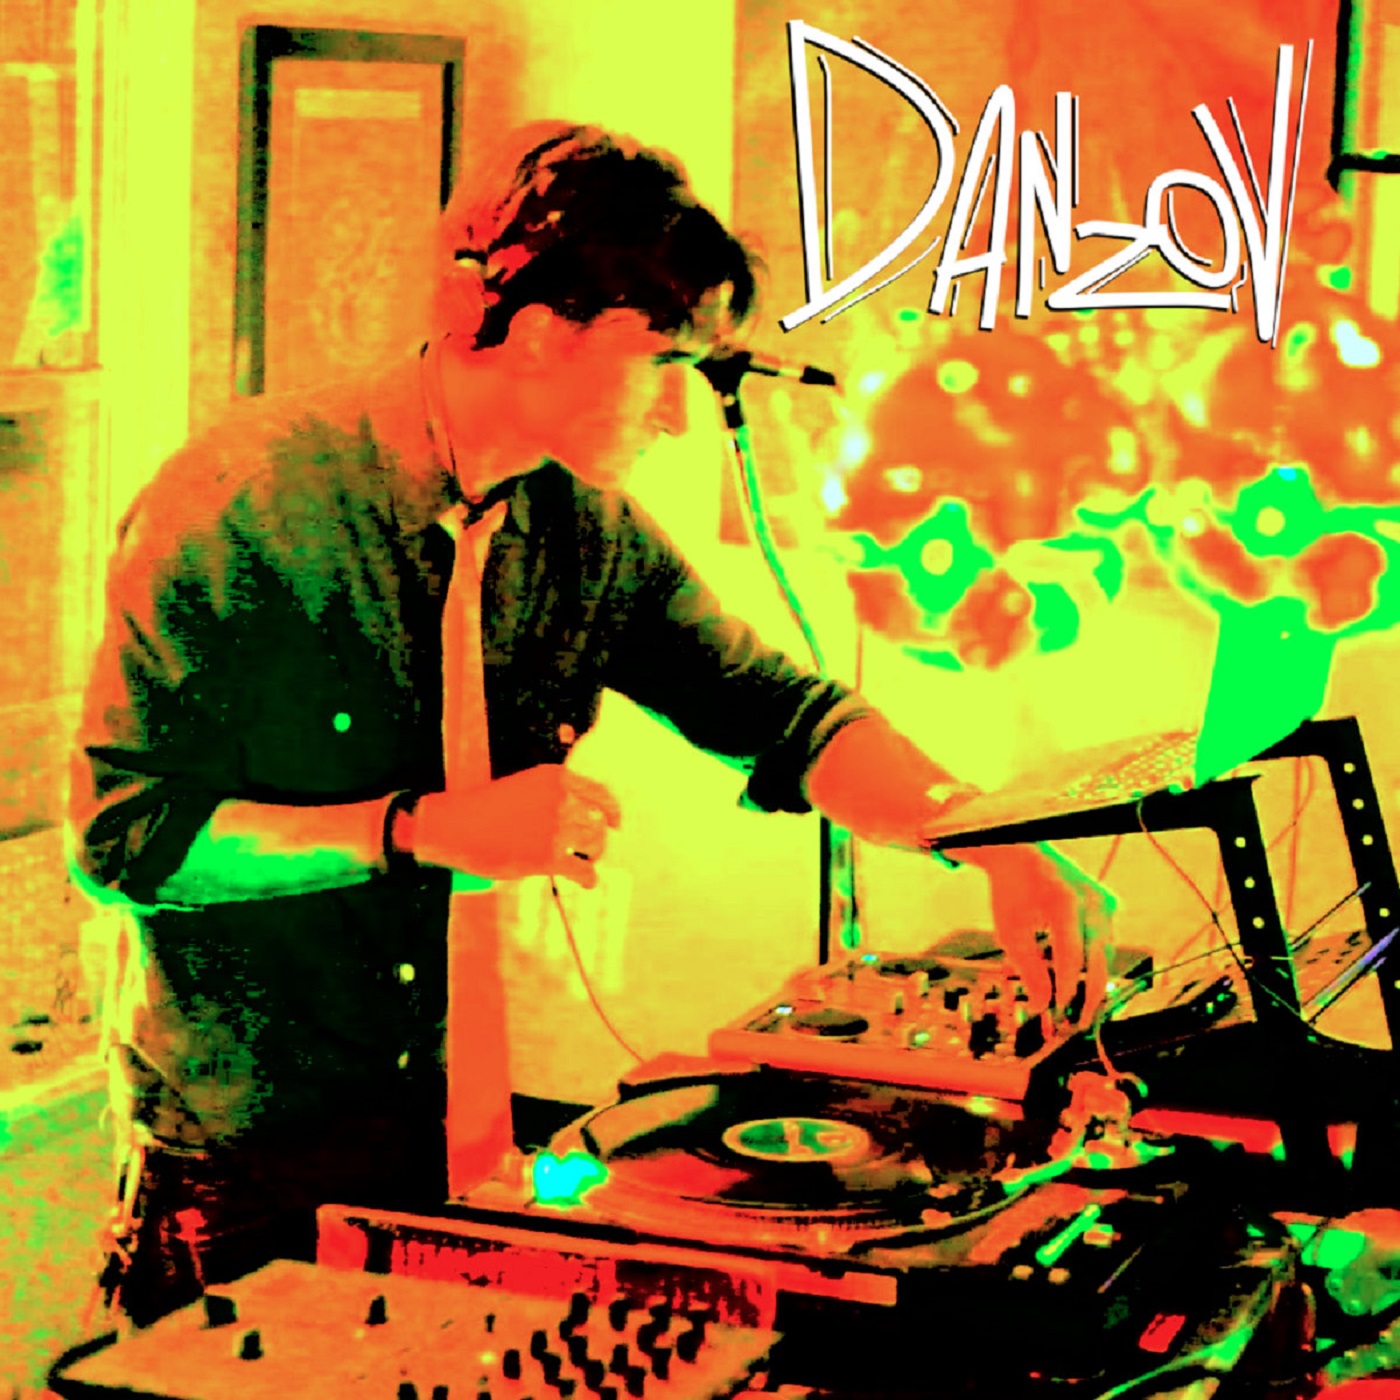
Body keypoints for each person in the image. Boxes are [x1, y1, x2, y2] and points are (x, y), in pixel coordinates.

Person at [68, 122, 1110, 1328]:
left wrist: (995, 842)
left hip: (461, 1144)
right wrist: (417, 828)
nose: (677, 414)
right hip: (244, 1173)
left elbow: (785, 712)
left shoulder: (582, 529)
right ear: (540, 329)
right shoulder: (242, 499)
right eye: (666, 361)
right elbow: (127, 838)